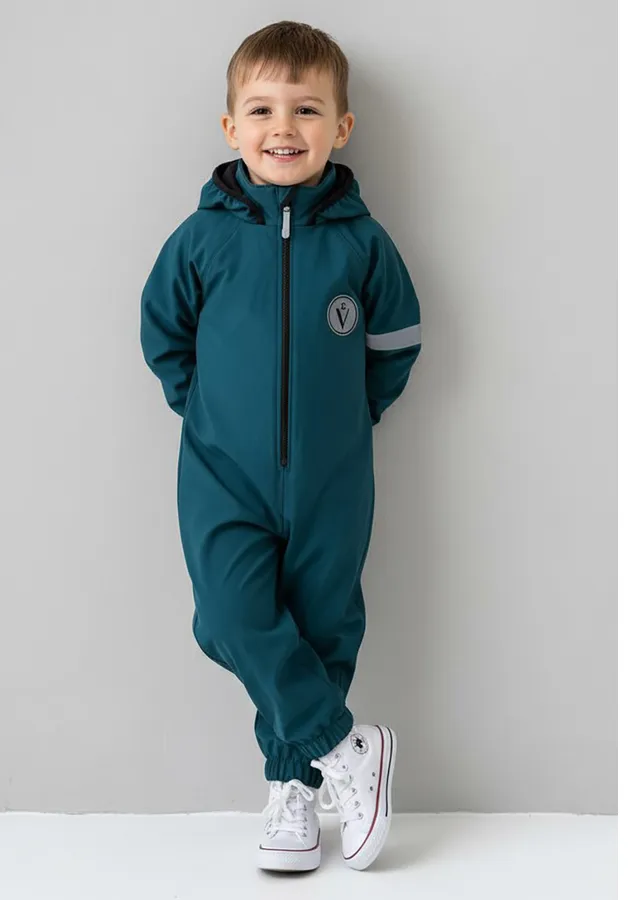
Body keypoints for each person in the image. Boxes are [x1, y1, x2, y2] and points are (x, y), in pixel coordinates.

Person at [140, 20, 422, 873]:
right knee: (228, 616)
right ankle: (345, 746)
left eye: (306, 109)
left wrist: (354, 417)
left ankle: (292, 789)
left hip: (334, 475)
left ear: (341, 127)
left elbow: (396, 340)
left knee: (324, 626)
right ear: (232, 128)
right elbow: (163, 335)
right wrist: (205, 412)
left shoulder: (362, 243)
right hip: (222, 473)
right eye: (261, 110)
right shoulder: (202, 239)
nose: (283, 128)